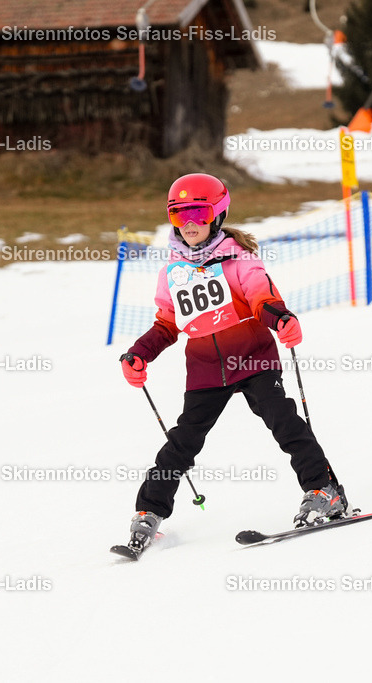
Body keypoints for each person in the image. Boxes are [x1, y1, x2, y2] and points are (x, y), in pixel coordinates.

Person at [118, 173, 347, 553]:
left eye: (198, 213)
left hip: (253, 357)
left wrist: (281, 319)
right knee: (182, 443)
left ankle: (324, 491)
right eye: (179, 215)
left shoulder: (239, 259)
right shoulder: (172, 272)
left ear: (217, 214)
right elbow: (167, 323)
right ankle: (148, 513)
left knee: (284, 422)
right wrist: (139, 352)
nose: (189, 224)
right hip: (206, 369)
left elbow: (261, 298)